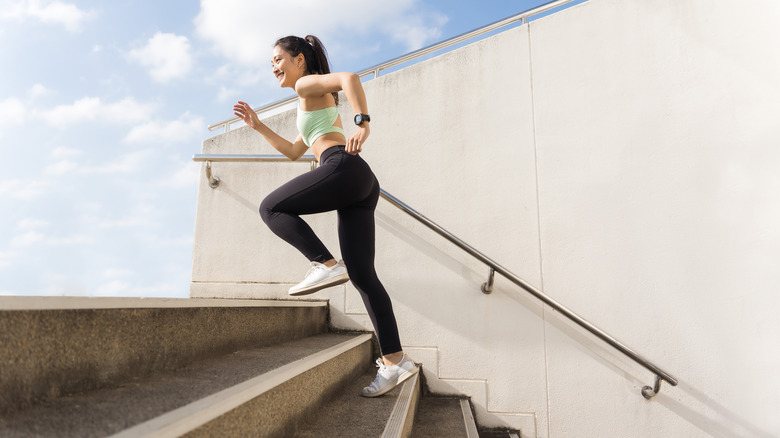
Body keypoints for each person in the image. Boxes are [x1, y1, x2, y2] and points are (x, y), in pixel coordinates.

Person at [233, 35, 417, 397]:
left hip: (343, 167)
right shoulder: (310, 99)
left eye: (278, 59)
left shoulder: (304, 84)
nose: (273, 68)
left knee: (270, 207)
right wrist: (258, 126)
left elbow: (350, 77)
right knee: (364, 276)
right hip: (360, 181)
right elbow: (292, 151)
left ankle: (325, 262)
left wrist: (363, 123)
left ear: (299, 60)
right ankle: (396, 362)